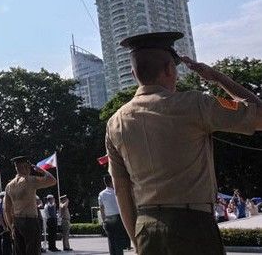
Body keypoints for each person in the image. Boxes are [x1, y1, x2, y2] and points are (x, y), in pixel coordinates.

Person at [106, 31, 262, 255]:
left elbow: (121, 189)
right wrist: (217, 77)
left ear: (133, 73)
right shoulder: (194, 104)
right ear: (170, 69)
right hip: (192, 225)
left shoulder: (115, 122)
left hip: (146, 228)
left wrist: (138, 239)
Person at [3, 156, 57, 255]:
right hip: (30, 221)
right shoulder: (30, 180)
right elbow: (52, 180)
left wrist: (11, 227)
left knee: (20, 252)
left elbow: (6, 210)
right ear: (26, 167)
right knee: (33, 251)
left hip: (17, 222)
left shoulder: (9, 186)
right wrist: (41, 170)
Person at [98, 175, 127, 255]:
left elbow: (102, 209)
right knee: (118, 243)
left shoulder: (101, 194)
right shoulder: (117, 192)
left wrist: (104, 221)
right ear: (111, 182)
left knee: (111, 242)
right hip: (118, 218)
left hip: (108, 219)